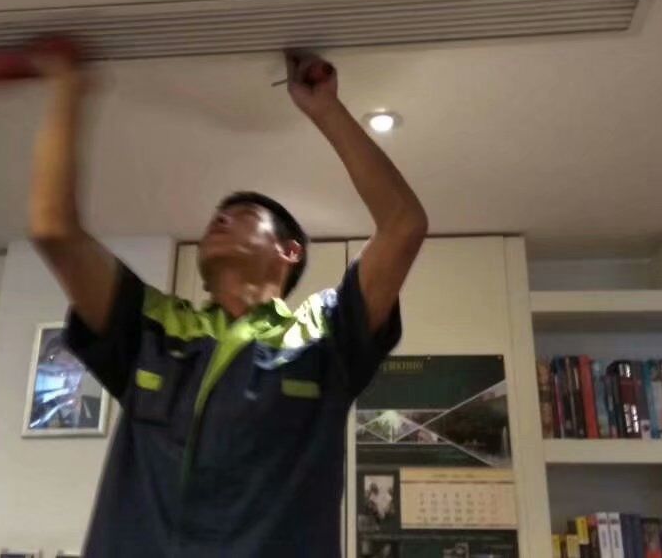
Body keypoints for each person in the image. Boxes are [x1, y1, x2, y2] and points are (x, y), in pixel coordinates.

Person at [22, 47, 427, 556]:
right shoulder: (152, 328)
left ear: (290, 250)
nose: (220, 218)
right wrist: (67, 87)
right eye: (217, 214)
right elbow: (54, 230)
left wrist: (326, 108)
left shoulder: (324, 334)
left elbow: (403, 225)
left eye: (243, 214)